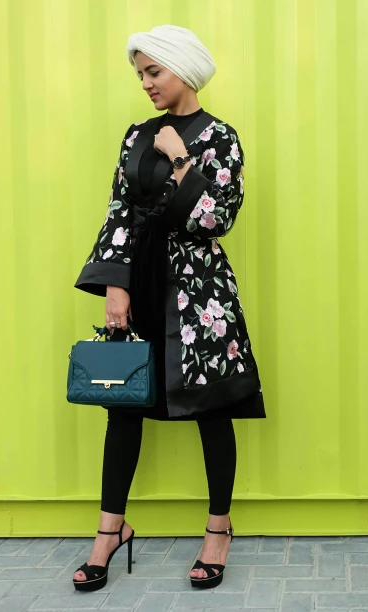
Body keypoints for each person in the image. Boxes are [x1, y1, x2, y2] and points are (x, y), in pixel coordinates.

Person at [71, 25, 265, 592]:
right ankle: (111, 531)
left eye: (154, 72)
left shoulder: (220, 138)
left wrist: (182, 163)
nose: (146, 85)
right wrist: (115, 284)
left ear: (183, 69)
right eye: (141, 75)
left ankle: (218, 530)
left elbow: (215, 219)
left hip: (198, 293)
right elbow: (120, 210)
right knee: (122, 406)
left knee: (212, 409)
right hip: (142, 282)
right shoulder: (136, 134)